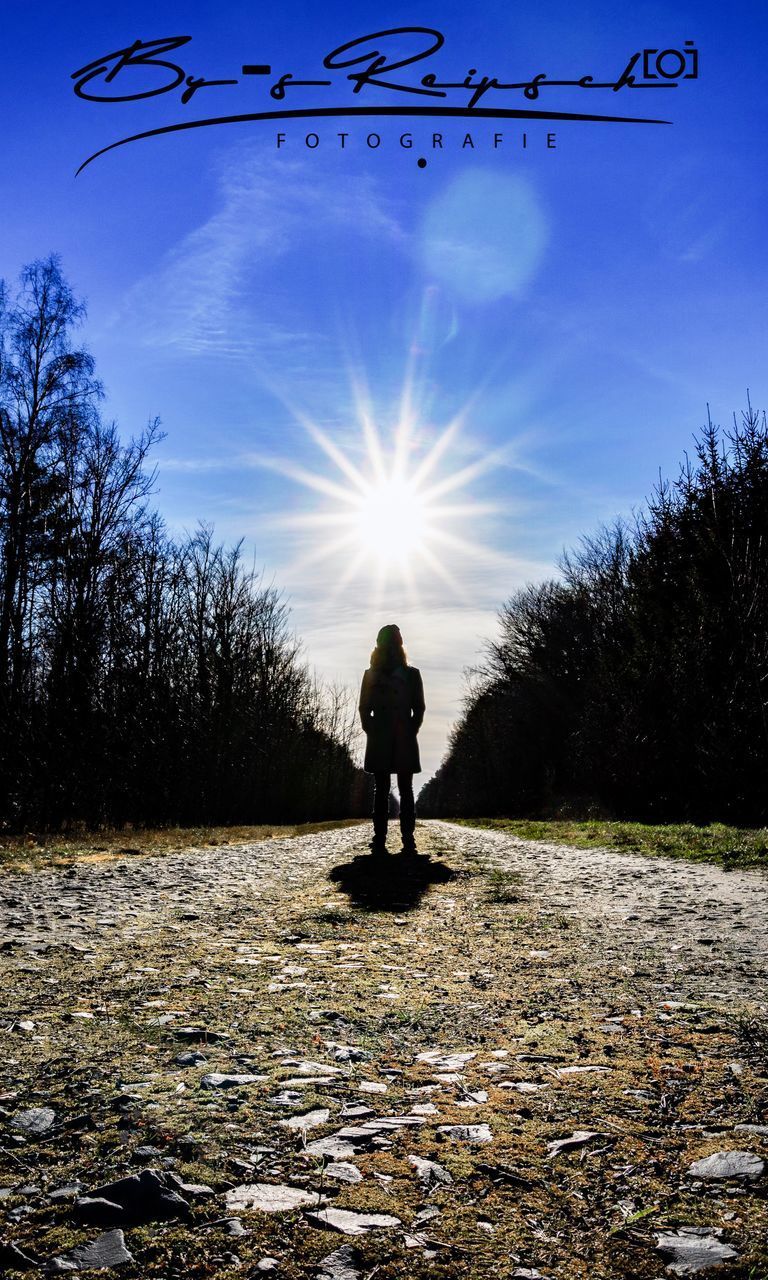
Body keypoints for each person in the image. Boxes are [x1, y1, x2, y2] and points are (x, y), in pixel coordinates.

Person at [358, 624, 425, 854]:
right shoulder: (370, 676)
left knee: (404, 789)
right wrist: (372, 730)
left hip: (402, 735)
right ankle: (380, 839)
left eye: (393, 645)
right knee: (383, 788)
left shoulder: (412, 674)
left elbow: (419, 707)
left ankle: (407, 838)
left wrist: (410, 730)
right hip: (380, 737)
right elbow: (364, 709)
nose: (390, 650)